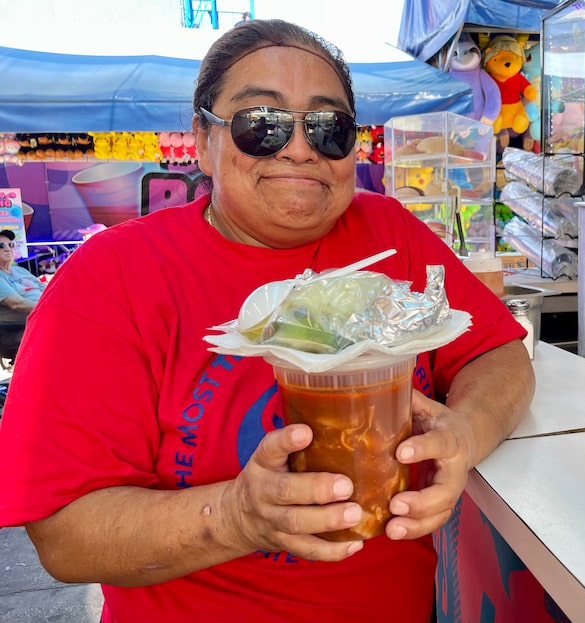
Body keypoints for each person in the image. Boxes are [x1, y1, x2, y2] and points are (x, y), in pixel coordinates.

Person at [0, 19, 535, 623]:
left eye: (329, 128)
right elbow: (64, 535)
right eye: (264, 124)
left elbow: (498, 354)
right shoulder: (112, 276)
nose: (300, 148)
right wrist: (236, 517)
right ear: (203, 139)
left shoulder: (390, 234)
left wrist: (464, 433)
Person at [0, 229, 45, 362]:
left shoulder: (20, 271)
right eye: (1, 246)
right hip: (19, 328)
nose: (8, 249)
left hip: (44, 319)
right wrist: (53, 310)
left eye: (11, 245)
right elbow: (17, 304)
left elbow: (50, 291)